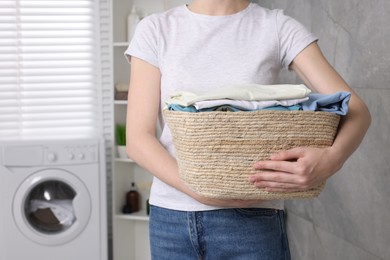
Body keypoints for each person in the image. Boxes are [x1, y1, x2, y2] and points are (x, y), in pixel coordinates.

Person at [124, 0, 371, 259]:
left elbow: (358, 112)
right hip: (171, 221)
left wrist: (331, 160)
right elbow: (138, 139)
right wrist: (202, 191)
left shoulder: (276, 27)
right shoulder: (155, 29)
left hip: (252, 219)